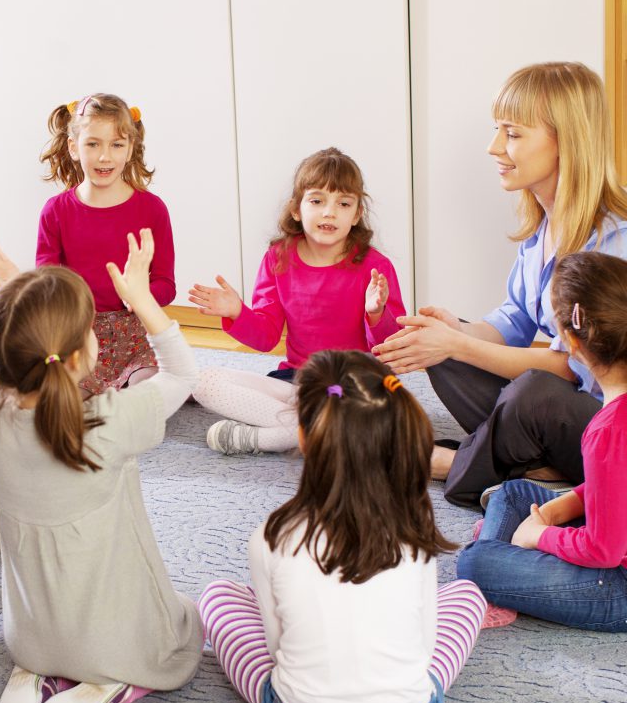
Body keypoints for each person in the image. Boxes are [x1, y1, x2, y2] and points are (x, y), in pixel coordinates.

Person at [0, 229, 203, 703]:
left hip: (31, 636)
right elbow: (182, 374)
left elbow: (23, 353)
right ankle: (113, 680)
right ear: (80, 358)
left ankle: (38, 670)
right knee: (190, 624)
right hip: (117, 641)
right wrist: (139, 297)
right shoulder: (103, 422)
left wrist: (16, 292)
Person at [198, 350, 486, 703]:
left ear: (302, 435)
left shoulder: (271, 536)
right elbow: (424, 651)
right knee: (468, 596)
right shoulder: (414, 525)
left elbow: (277, 648)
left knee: (218, 597)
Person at [373, 62, 627, 507]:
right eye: (498, 131)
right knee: (442, 345)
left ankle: (446, 463)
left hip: (611, 431)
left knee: (533, 393)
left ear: (566, 140)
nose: (494, 147)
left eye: (512, 133)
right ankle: (533, 469)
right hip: (565, 412)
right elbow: (513, 318)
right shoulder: (542, 231)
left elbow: (576, 367)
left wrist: (458, 345)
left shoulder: (613, 244)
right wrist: (456, 333)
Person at [189, 147, 405, 455]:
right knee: (203, 382)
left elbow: (391, 349)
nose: (329, 212)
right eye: (317, 201)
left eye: (343, 203)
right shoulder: (278, 259)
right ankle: (311, 430)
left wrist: (376, 313)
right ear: (296, 209)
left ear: (357, 214)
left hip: (350, 387)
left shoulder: (376, 267)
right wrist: (238, 312)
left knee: (367, 410)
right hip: (297, 384)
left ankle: (272, 436)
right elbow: (265, 336)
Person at [456, 251, 627, 631]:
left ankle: (499, 565)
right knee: (513, 492)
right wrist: (566, 504)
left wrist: (542, 535)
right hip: (617, 533)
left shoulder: (607, 431)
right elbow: (616, 482)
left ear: (571, 342)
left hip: (617, 587)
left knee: (474, 564)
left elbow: (604, 550)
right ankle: (507, 558)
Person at [37, 93, 176, 395]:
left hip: (139, 331)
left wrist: (139, 296)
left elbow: (166, 284)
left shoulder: (153, 209)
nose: (105, 156)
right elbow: (47, 284)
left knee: (151, 393)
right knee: (58, 398)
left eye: (116, 144)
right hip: (80, 334)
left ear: (130, 150)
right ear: (74, 147)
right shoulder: (55, 211)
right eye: (93, 144)